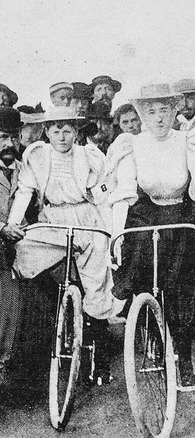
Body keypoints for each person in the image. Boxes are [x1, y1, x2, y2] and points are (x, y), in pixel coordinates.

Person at [108, 83, 195, 392]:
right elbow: (125, 193)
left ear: (175, 111)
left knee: (180, 289)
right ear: (141, 115)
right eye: (150, 112)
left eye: (163, 111)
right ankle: (151, 335)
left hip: (181, 216)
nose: (158, 118)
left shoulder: (190, 140)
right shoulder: (131, 144)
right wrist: (118, 237)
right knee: (144, 273)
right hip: (147, 215)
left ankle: (183, 358)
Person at [7, 106, 123, 384]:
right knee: (24, 253)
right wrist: (12, 224)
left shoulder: (90, 156)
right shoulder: (37, 156)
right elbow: (25, 191)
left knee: (95, 284)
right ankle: (64, 317)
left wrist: (109, 231)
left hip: (86, 217)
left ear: (76, 132)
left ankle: (100, 355)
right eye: (56, 130)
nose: (61, 136)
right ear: (46, 132)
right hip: (53, 219)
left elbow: (104, 195)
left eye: (67, 130)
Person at [0, 107, 28, 386]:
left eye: (13, 137)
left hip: (16, 250)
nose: (9, 144)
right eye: (2, 137)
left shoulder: (25, 171)